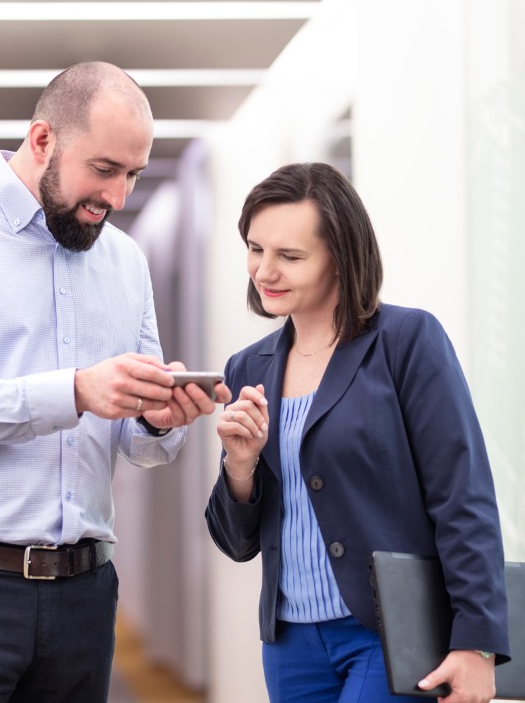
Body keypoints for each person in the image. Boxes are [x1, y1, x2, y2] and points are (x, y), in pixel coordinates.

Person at [0, 61, 232, 703]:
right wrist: (78, 391)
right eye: (105, 169)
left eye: (134, 175)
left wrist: (156, 417)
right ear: (42, 141)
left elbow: (139, 448)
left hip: (81, 601)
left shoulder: (124, 261)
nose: (118, 198)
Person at [206, 162, 509, 703]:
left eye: (290, 256)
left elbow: (462, 496)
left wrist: (478, 641)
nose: (264, 271)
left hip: (388, 633)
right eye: (256, 249)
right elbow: (237, 542)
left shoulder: (406, 342)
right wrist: (240, 466)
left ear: (340, 259)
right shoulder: (247, 369)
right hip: (290, 644)